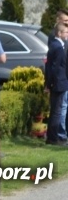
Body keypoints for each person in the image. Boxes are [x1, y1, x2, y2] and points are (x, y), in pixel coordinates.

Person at [45, 11, 68, 146]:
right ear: (59, 33)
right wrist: (50, 83)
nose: (67, 35)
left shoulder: (55, 45)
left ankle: (52, 137)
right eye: (65, 33)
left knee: (56, 110)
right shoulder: (58, 47)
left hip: (56, 82)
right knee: (57, 111)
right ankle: (54, 138)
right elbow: (55, 67)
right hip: (59, 83)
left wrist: (48, 83)